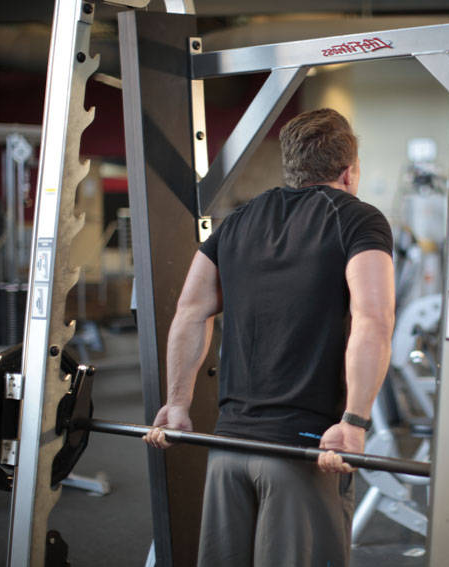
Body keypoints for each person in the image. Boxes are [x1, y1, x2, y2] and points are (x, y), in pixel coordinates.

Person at [143, 108, 395, 567]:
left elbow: (189, 312)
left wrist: (177, 403)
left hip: (228, 451)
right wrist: (354, 424)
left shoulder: (237, 222)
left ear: (292, 166)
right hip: (302, 452)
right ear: (348, 171)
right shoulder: (360, 220)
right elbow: (373, 319)